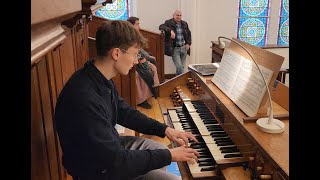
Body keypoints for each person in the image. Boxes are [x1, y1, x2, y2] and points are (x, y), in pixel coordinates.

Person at [54, 20, 200, 180]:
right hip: (97, 171)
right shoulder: (84, 98)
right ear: (116, 53)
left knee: (158, 148)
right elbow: (115, 163)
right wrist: (168, 155)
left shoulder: (99, 77)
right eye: (135, 54)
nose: (137, 61)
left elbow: (125, 112)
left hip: (108, 149)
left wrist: (164, 129)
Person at [127, 16, 160, 109]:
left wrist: (145, 57)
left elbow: (139, 50)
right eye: (137, 24)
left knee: (151, 68)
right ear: (131, 25)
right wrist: (142, 59)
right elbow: (132, 51)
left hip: (137, 60)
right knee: (141, 75)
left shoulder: (134, 35)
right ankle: (141, 100)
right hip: (132, 62)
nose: (139, 27)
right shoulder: (128, 36)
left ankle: (151, 93)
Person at [159, 9, 192, 75]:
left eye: (180, 15)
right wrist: (170, 31)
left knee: (181, 67)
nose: (179, 17)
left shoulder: (184, 23)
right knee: (179, 67)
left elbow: (188, 34)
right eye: (177, 15)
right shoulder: (168, 22)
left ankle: (177, 82)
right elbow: (161, 27)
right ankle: (180, 82)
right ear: (173, 15)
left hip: (184, 48)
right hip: (175, 49)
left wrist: (188, 43)